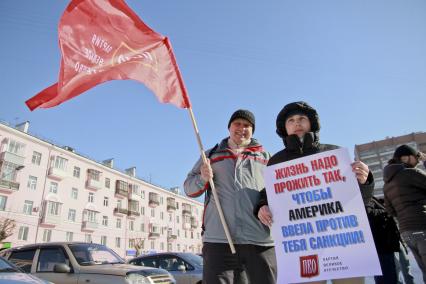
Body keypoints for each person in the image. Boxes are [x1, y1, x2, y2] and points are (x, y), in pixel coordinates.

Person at [253, 101, 374, 284]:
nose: (297, 123)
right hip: (303, 246)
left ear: (312, 123)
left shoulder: (333, 153)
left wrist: (366, 180)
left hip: (342, 241)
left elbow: (358, 200)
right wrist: (262, 206)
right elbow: (269, 193)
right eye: (291, 120)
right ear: (284, 128)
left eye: (302, 118)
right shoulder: (276, 161)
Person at [184, 109, 277, 284]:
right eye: (237, 124)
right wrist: (203, 178)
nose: (242, 128)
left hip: (259, 240)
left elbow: (279, 191)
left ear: (252, 130)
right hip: (219, 240)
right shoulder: (211, 155)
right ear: (229, 127)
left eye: (247, 125)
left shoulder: (267, 158)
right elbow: (189, 189)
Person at [383, 144, 426, 283]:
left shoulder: (387, 183)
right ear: (406, 158)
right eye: (415, 157)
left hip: (407, 232)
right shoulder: (409, 173)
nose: (417, 160)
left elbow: (390, 210)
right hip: (422, 225)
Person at [366, 196, 400, 284]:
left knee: (390, 273)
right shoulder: (364, 198)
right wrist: (386, 211)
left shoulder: (371, 198)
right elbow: (368, 213)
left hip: (384, 244)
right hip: (380, 246)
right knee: (387, 275)